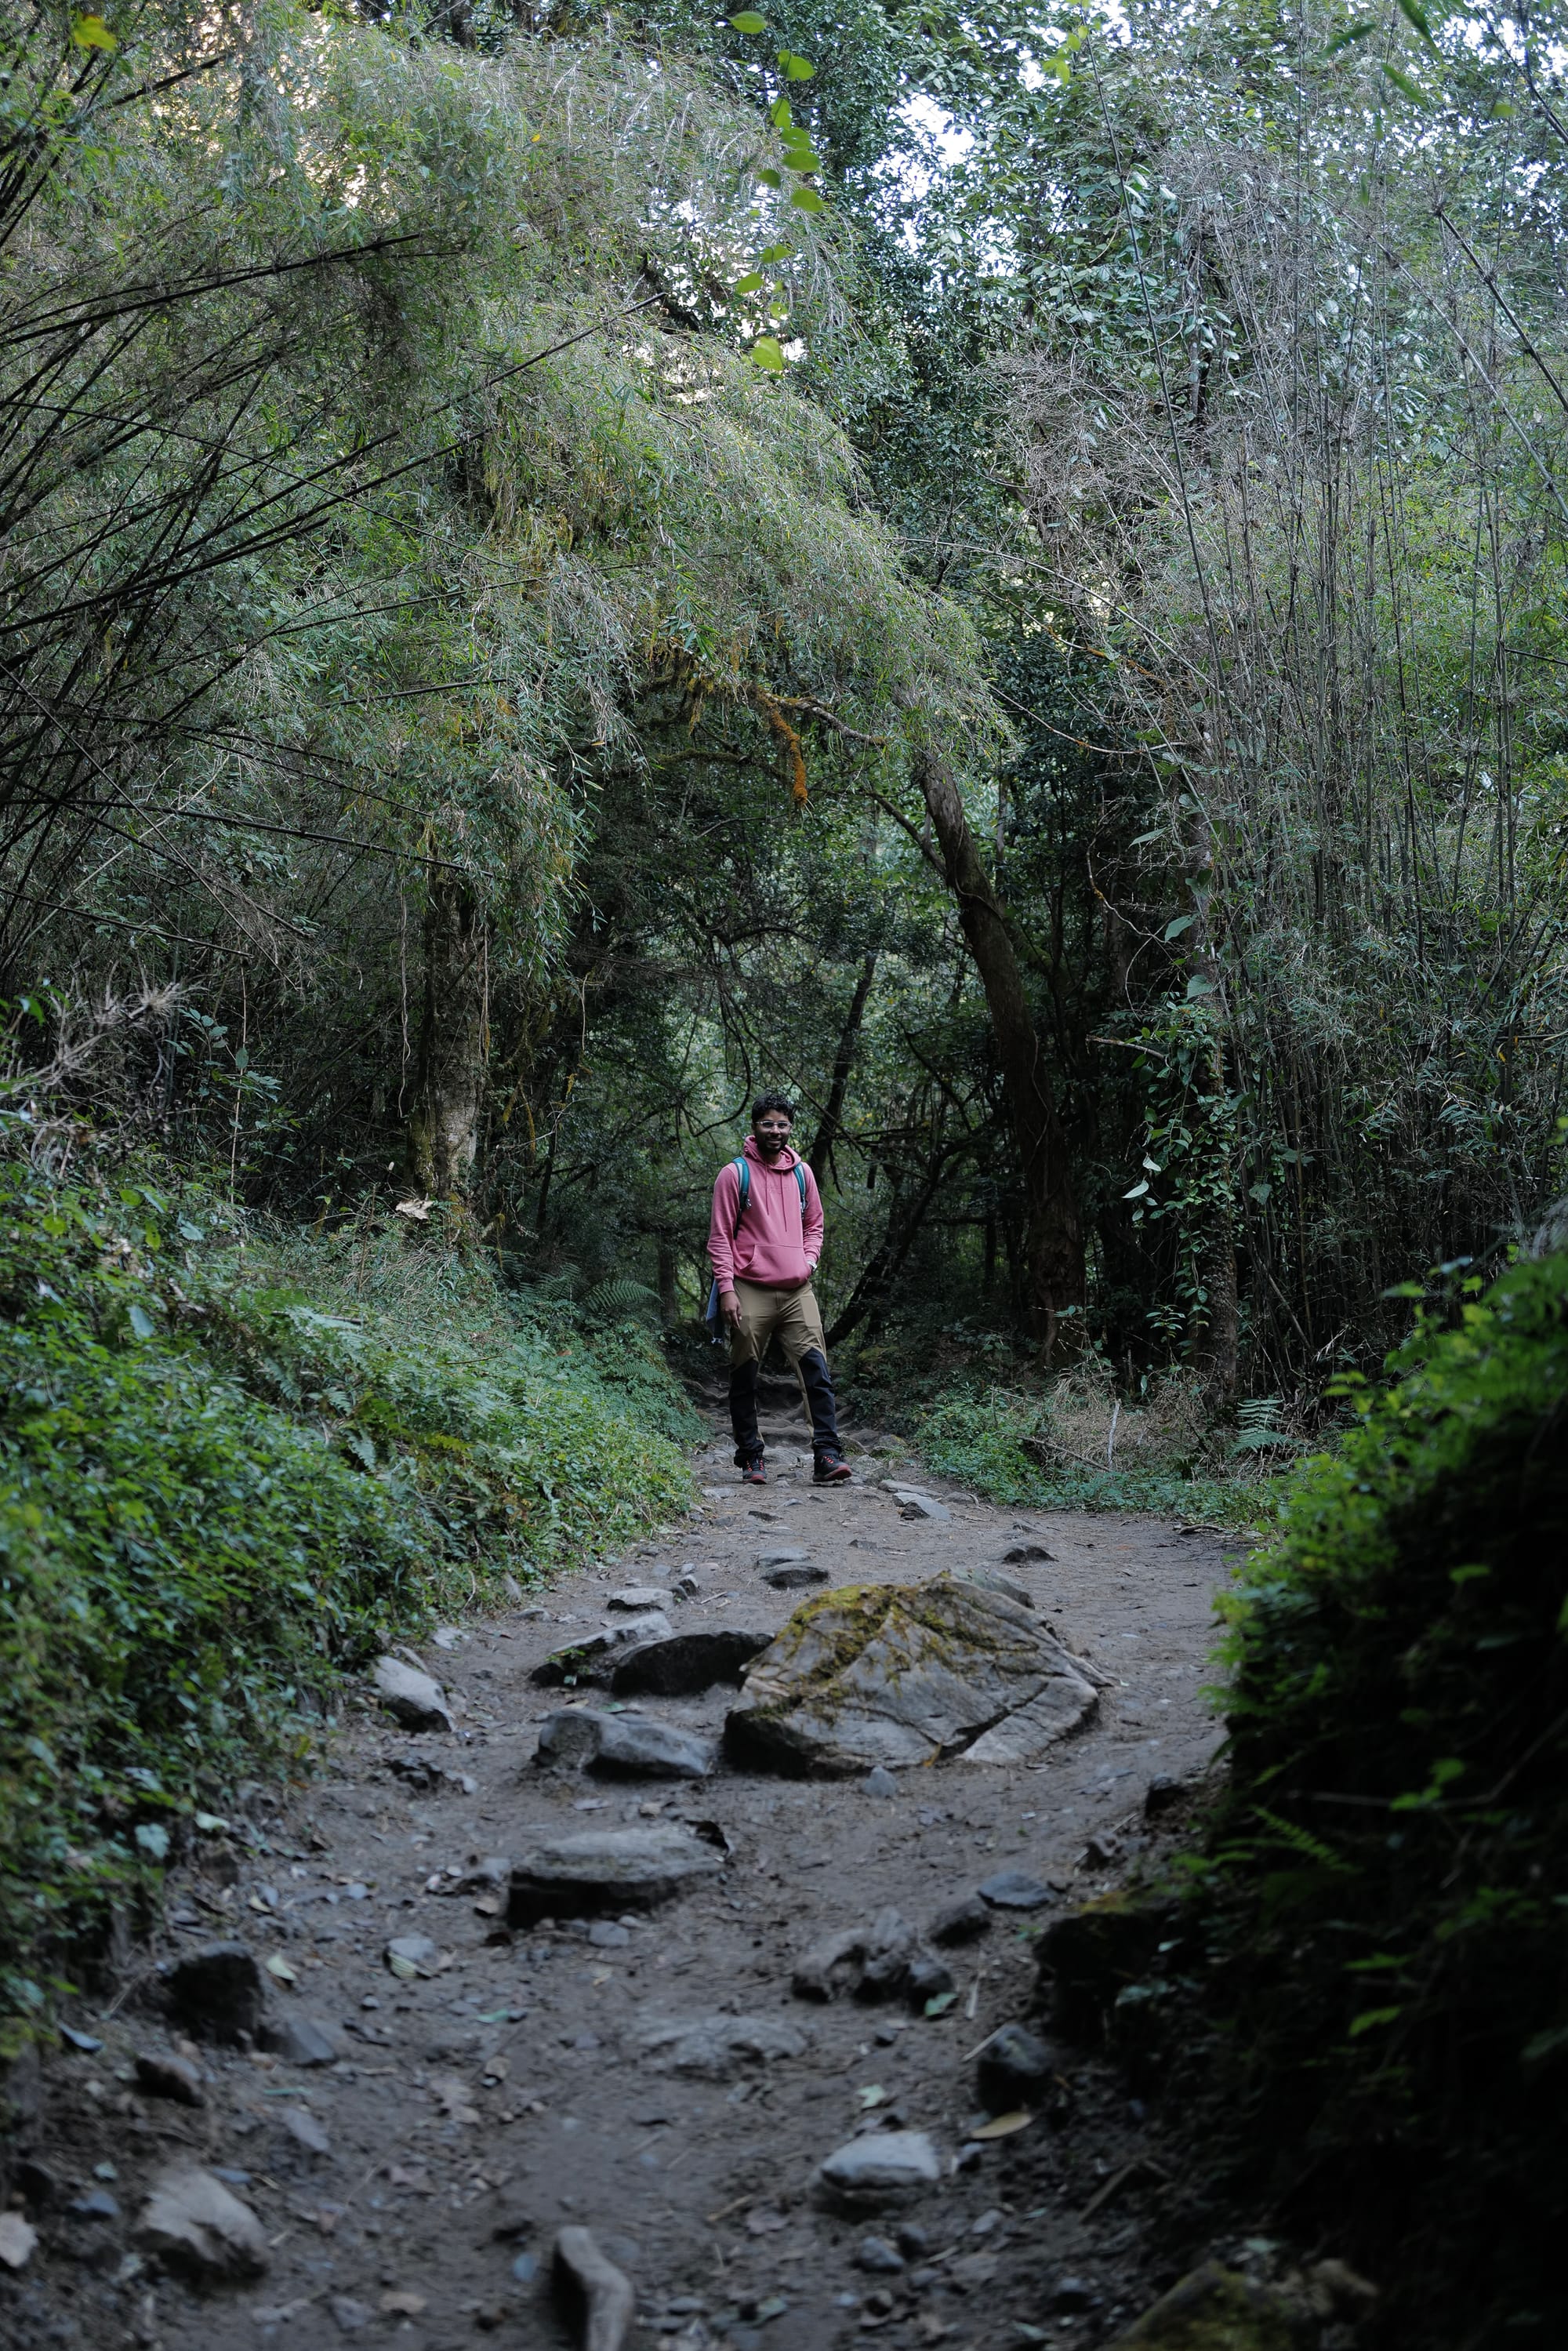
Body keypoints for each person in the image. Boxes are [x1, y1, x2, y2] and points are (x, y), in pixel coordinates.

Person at [706, 1092, 851, 1486]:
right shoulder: (734, 1175)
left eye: (782, 1124)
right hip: (748, 1287)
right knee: (744, 1376)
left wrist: (808, 1262)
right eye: (768, 1123)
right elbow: (720, 1238)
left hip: (797, 1290)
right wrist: (727, 1290)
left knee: (816, 1372)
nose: (775, 1131)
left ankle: (826, 1454)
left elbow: (815, 1226)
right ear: (754, 1127)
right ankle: (751, 1457)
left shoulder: (803, 1173)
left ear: (791, 1128)